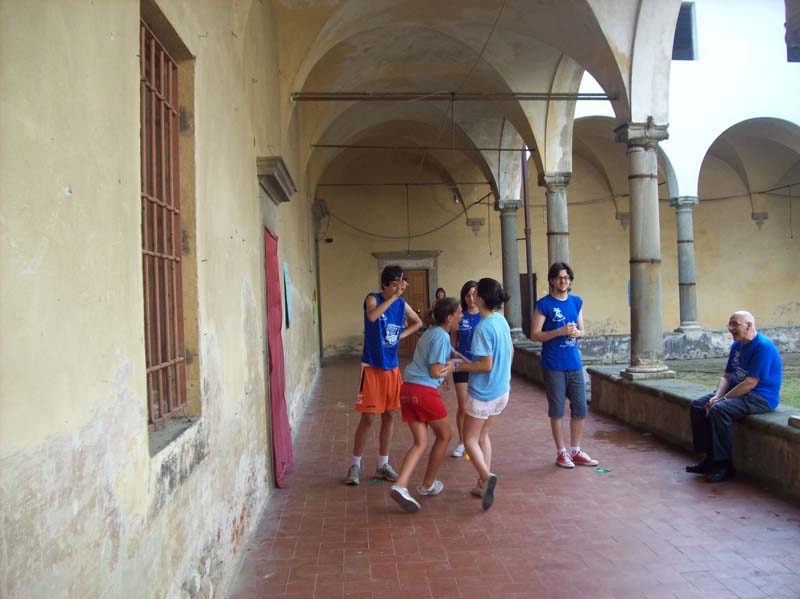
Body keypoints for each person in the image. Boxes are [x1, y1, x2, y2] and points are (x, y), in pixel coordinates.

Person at [345, 265, 423, 485]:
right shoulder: (373, 298)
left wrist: (401, 336)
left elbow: (418, 322)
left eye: (402, 283)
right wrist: (394, 298)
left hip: (392, 367)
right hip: (371, 366)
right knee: (368, 417)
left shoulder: (402, 304)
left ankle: (383, 465)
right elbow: (372, 317)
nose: (400, 288)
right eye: (396, 283)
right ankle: (355, 465)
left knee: (389, 415)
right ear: (386, 284)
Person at [686, 311, 782, 483]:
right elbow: (727, 376)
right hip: (736, 391)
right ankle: (709, 458)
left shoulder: (763, 347)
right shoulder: (737, 346)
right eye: (729, 324)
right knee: (698, 406)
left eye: (735, 324)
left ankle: (724, 465)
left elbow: (750, 383)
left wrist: (722, 400)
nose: (730, 328)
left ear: (749, 325)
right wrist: (717, 395)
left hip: (759, 397)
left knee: (719, 410)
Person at [389, 298, 459, 512]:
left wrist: (446, 367)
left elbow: (436, 362)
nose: (462, 316)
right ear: (449, 318)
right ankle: (428, 484)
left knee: (420, 443)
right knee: (445, 435)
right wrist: (451, 368)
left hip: (408, 389)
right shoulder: (441, 335)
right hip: (423, 391)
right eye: (459, 313)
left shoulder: (430, 332)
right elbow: (434, 371)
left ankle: (401, 485)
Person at [531, 262, 598, 469]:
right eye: (559, 278)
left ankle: (575, 450)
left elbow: (582, 331)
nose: (563, 281)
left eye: (567, 278)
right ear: (552, 280)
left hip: (574, 362)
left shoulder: (576, 302)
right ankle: (561, 452)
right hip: (553, 364)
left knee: (580, 406)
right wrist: (559, 332)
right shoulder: (544, 304)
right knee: (557, 409)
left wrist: (577, 333)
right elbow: (535, 335)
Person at [453, 278, 512, 510]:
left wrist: (460, 367)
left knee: (469, 439)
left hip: (483, 393)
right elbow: (508, 353)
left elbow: (485, 364)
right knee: (483, 436)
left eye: (476, 293)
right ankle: (481, 483)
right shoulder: (501, 320)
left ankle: (486, 478)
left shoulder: (483, 327)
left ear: (481, 298)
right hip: (501, 391)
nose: (472, 296)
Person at [449, 280, 480, 458]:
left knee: (478, 405)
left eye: (474, 294)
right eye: (467, 295)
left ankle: (474, 439)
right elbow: (452, 342)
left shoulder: (484, 316)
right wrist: (450, 363)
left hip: (480, 365)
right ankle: (461, 441)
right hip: (461, 365)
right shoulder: (460, 316)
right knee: (463, 405)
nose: (471, 299)